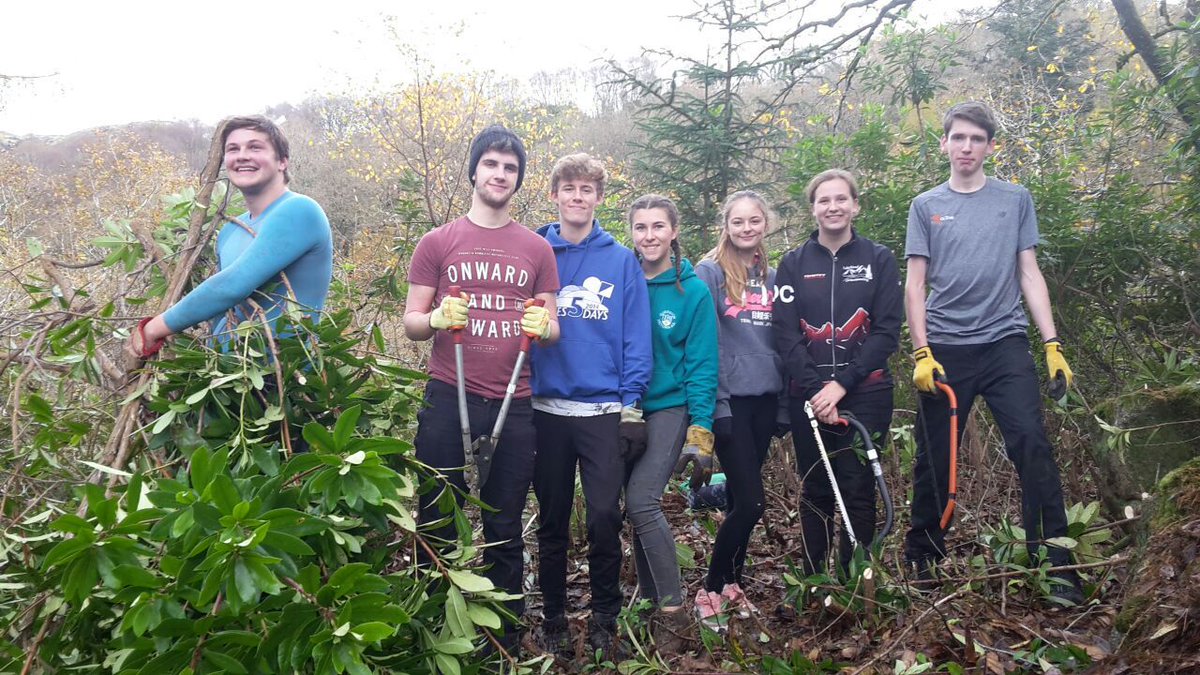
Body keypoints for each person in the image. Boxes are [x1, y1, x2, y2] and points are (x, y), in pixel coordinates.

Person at [902, 102, 1082, 604]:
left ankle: (1056, 567)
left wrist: (1052, 344)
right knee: (935, 457)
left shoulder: (1014, 199)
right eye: (958, 138)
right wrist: (921, 352)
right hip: (945, 349)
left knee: (1032, 445)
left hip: (1005, 343)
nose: (966, 147)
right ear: (944, 143)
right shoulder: (926, 205)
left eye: (976, 139)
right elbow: (914, 286)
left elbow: (1029, 271)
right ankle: (923, 560)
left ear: (990, 146)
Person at [403, 125, 560, 654]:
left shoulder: (537, 248)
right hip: (449, 395)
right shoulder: (438, 242)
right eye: (491, 164)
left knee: (505, 522)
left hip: (515, 402)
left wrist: (544, 327)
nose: (500, 174)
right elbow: (411, 321)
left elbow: (553, 326)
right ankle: (433, 630)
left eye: (510, 168)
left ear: (518, 179)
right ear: (474, 171)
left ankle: (502, 640)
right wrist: (435, 317)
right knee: (436, 513)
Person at [529, 153, 652, 659]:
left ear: (599, 198)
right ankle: (553, 616)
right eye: (569, 188)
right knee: (552, 520)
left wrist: (631, 406)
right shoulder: (534, 251)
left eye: (587, 189)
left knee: (604, 516)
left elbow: (636, 336)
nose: (577, 197)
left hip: (602, 410)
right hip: (544, 408)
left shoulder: (620, 260)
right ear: (554, 194)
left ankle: (605, 616)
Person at [774, 170, 902, 575]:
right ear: (813, 209)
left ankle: (855, 582)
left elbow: (887, 331)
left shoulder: (879, 259)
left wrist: (841, 386)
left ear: (855, 205)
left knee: (857, 487)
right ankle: (814, 581)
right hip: (808, 395)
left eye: (841, 199)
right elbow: (785, 334)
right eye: (824, 200)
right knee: (815, 488)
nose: (833, 207)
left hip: (867, 392)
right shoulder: (792, 264)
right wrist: (818, 390)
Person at [127, 115, 332, 358]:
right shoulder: (230, 231)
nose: (242, 156)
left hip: (285, 374)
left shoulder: (300, 210)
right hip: (229, 374)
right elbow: (222, 312)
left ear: (282, 161)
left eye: (255, 147)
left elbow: (230, 286)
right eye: (233, 149)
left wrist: (152, 329)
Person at [625, 194, 718, 649]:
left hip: (669, 407)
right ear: (632, 233)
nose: (650, 236)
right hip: (624, 408)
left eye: (658, 226)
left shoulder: (692, 291)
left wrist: (701, 429)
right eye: (641, 227)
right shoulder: (623, 280)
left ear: (674, 231)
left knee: (642, 500)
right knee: (633, 508)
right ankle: (648, 604)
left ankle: (673, 614)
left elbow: (701, 364)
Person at [693, 191, 783, 625]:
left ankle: (732, 583)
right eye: (738, 221)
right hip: (730, 402)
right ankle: (710, 589)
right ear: (726, 226)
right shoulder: (709, 273)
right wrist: (718, 405)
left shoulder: (774, 277)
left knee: (738, 500)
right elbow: (705, 342)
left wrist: (784, 403)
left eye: (754, 221)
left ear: (766, 224)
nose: (747, 229)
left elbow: (782, 340)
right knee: (751, 502)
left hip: (766, 400)